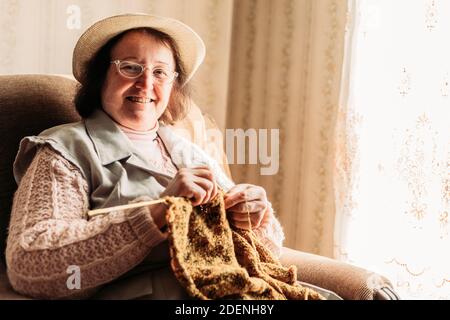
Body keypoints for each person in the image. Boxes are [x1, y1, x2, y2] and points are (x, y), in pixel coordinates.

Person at [5, 13, 286, 300]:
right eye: (130, 67)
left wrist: (256, 219)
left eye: (160, 72)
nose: (146, 83)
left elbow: (265, 254)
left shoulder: (189, 152)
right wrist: (155, 214)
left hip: (227, 290)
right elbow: (30, 264)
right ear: (101, 77)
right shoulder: (63, 150)